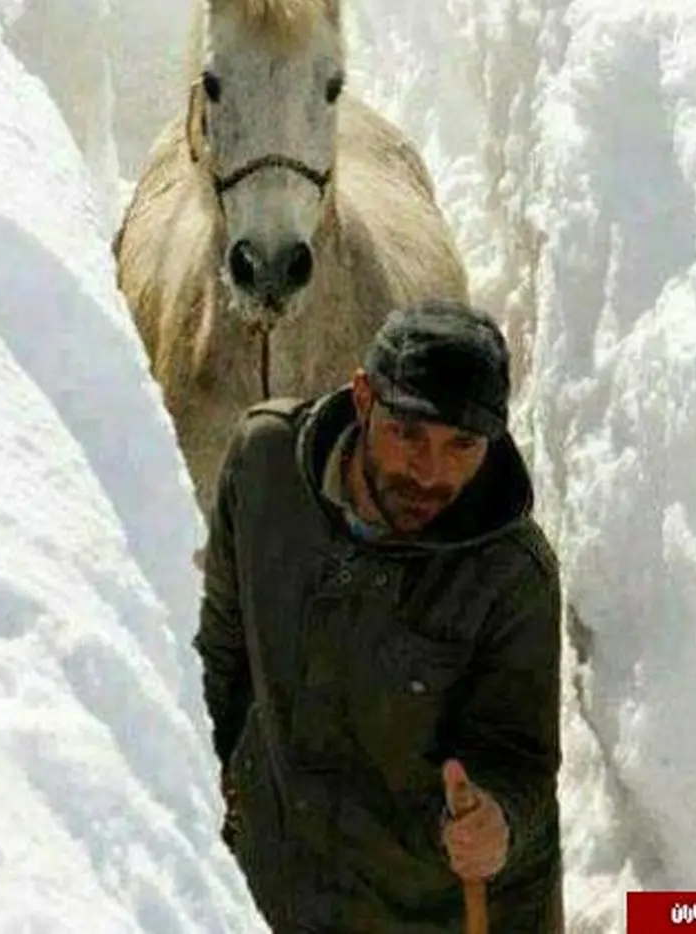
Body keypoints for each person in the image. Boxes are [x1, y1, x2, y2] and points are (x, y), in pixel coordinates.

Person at [194, 298, 564, 932]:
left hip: (424, 912)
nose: (430, 471)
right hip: (271, 887)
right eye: (407, 434)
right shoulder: (264, 466)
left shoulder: (511, 573)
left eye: (462, 446)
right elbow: (220, 657)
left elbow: (521, 760)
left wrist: (497, 823)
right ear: (364, 398)